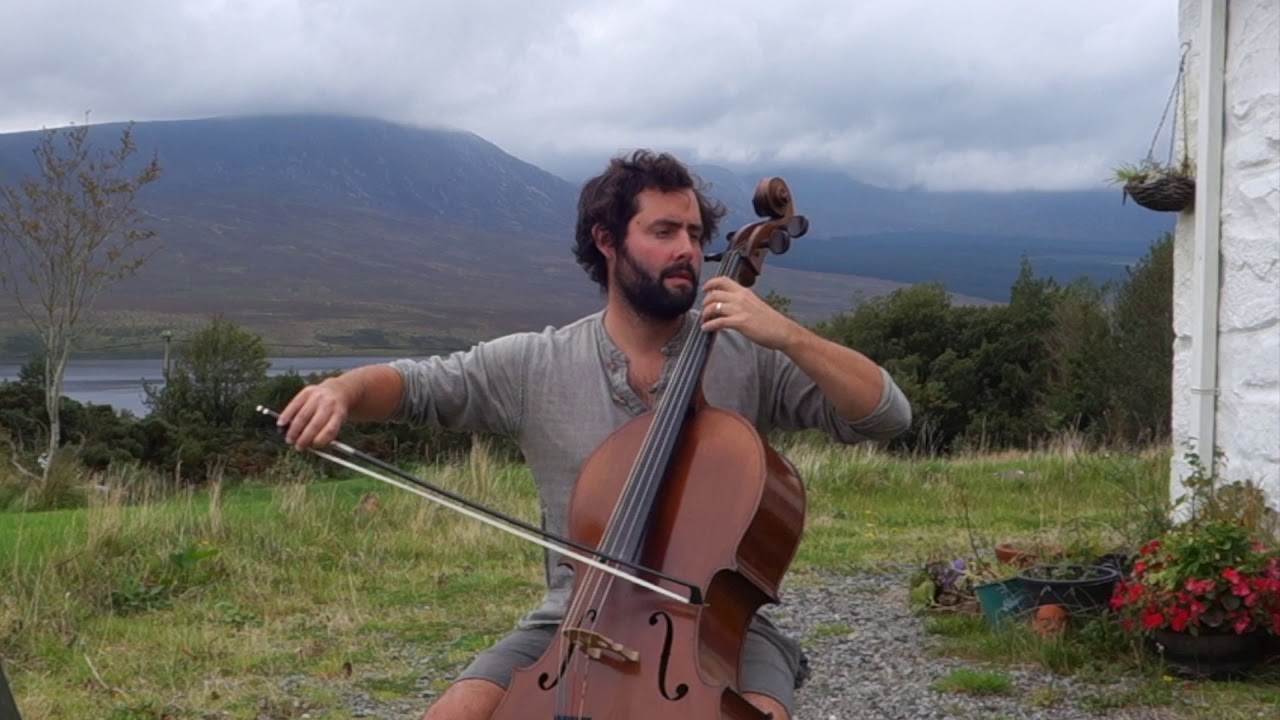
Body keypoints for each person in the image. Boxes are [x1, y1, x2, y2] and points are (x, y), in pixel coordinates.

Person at [279, 150, 912, 720]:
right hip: (572, 622)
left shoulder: (748, 352)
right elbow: (415, 384)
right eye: (664, 232)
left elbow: (885, 416)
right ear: (607, 241)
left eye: (695, 233)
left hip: (723, 630)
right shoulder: (536, 363)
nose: (687, 249)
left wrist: (791, 336)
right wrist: (341, 391)